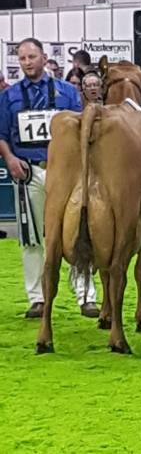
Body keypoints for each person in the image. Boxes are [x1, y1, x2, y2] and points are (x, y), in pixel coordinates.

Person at [0, 38, 99, 319]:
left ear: (44, 58)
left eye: (32, 56)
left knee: (77, 231)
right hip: (28, 170)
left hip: (65, 172)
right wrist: (9, 159)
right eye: (22, 58)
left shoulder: (68, 92)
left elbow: (83, 129)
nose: (27, 62)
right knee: (31, 236)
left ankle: (86, 296)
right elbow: (2, 135)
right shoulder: (8, 97)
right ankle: (37, 298)